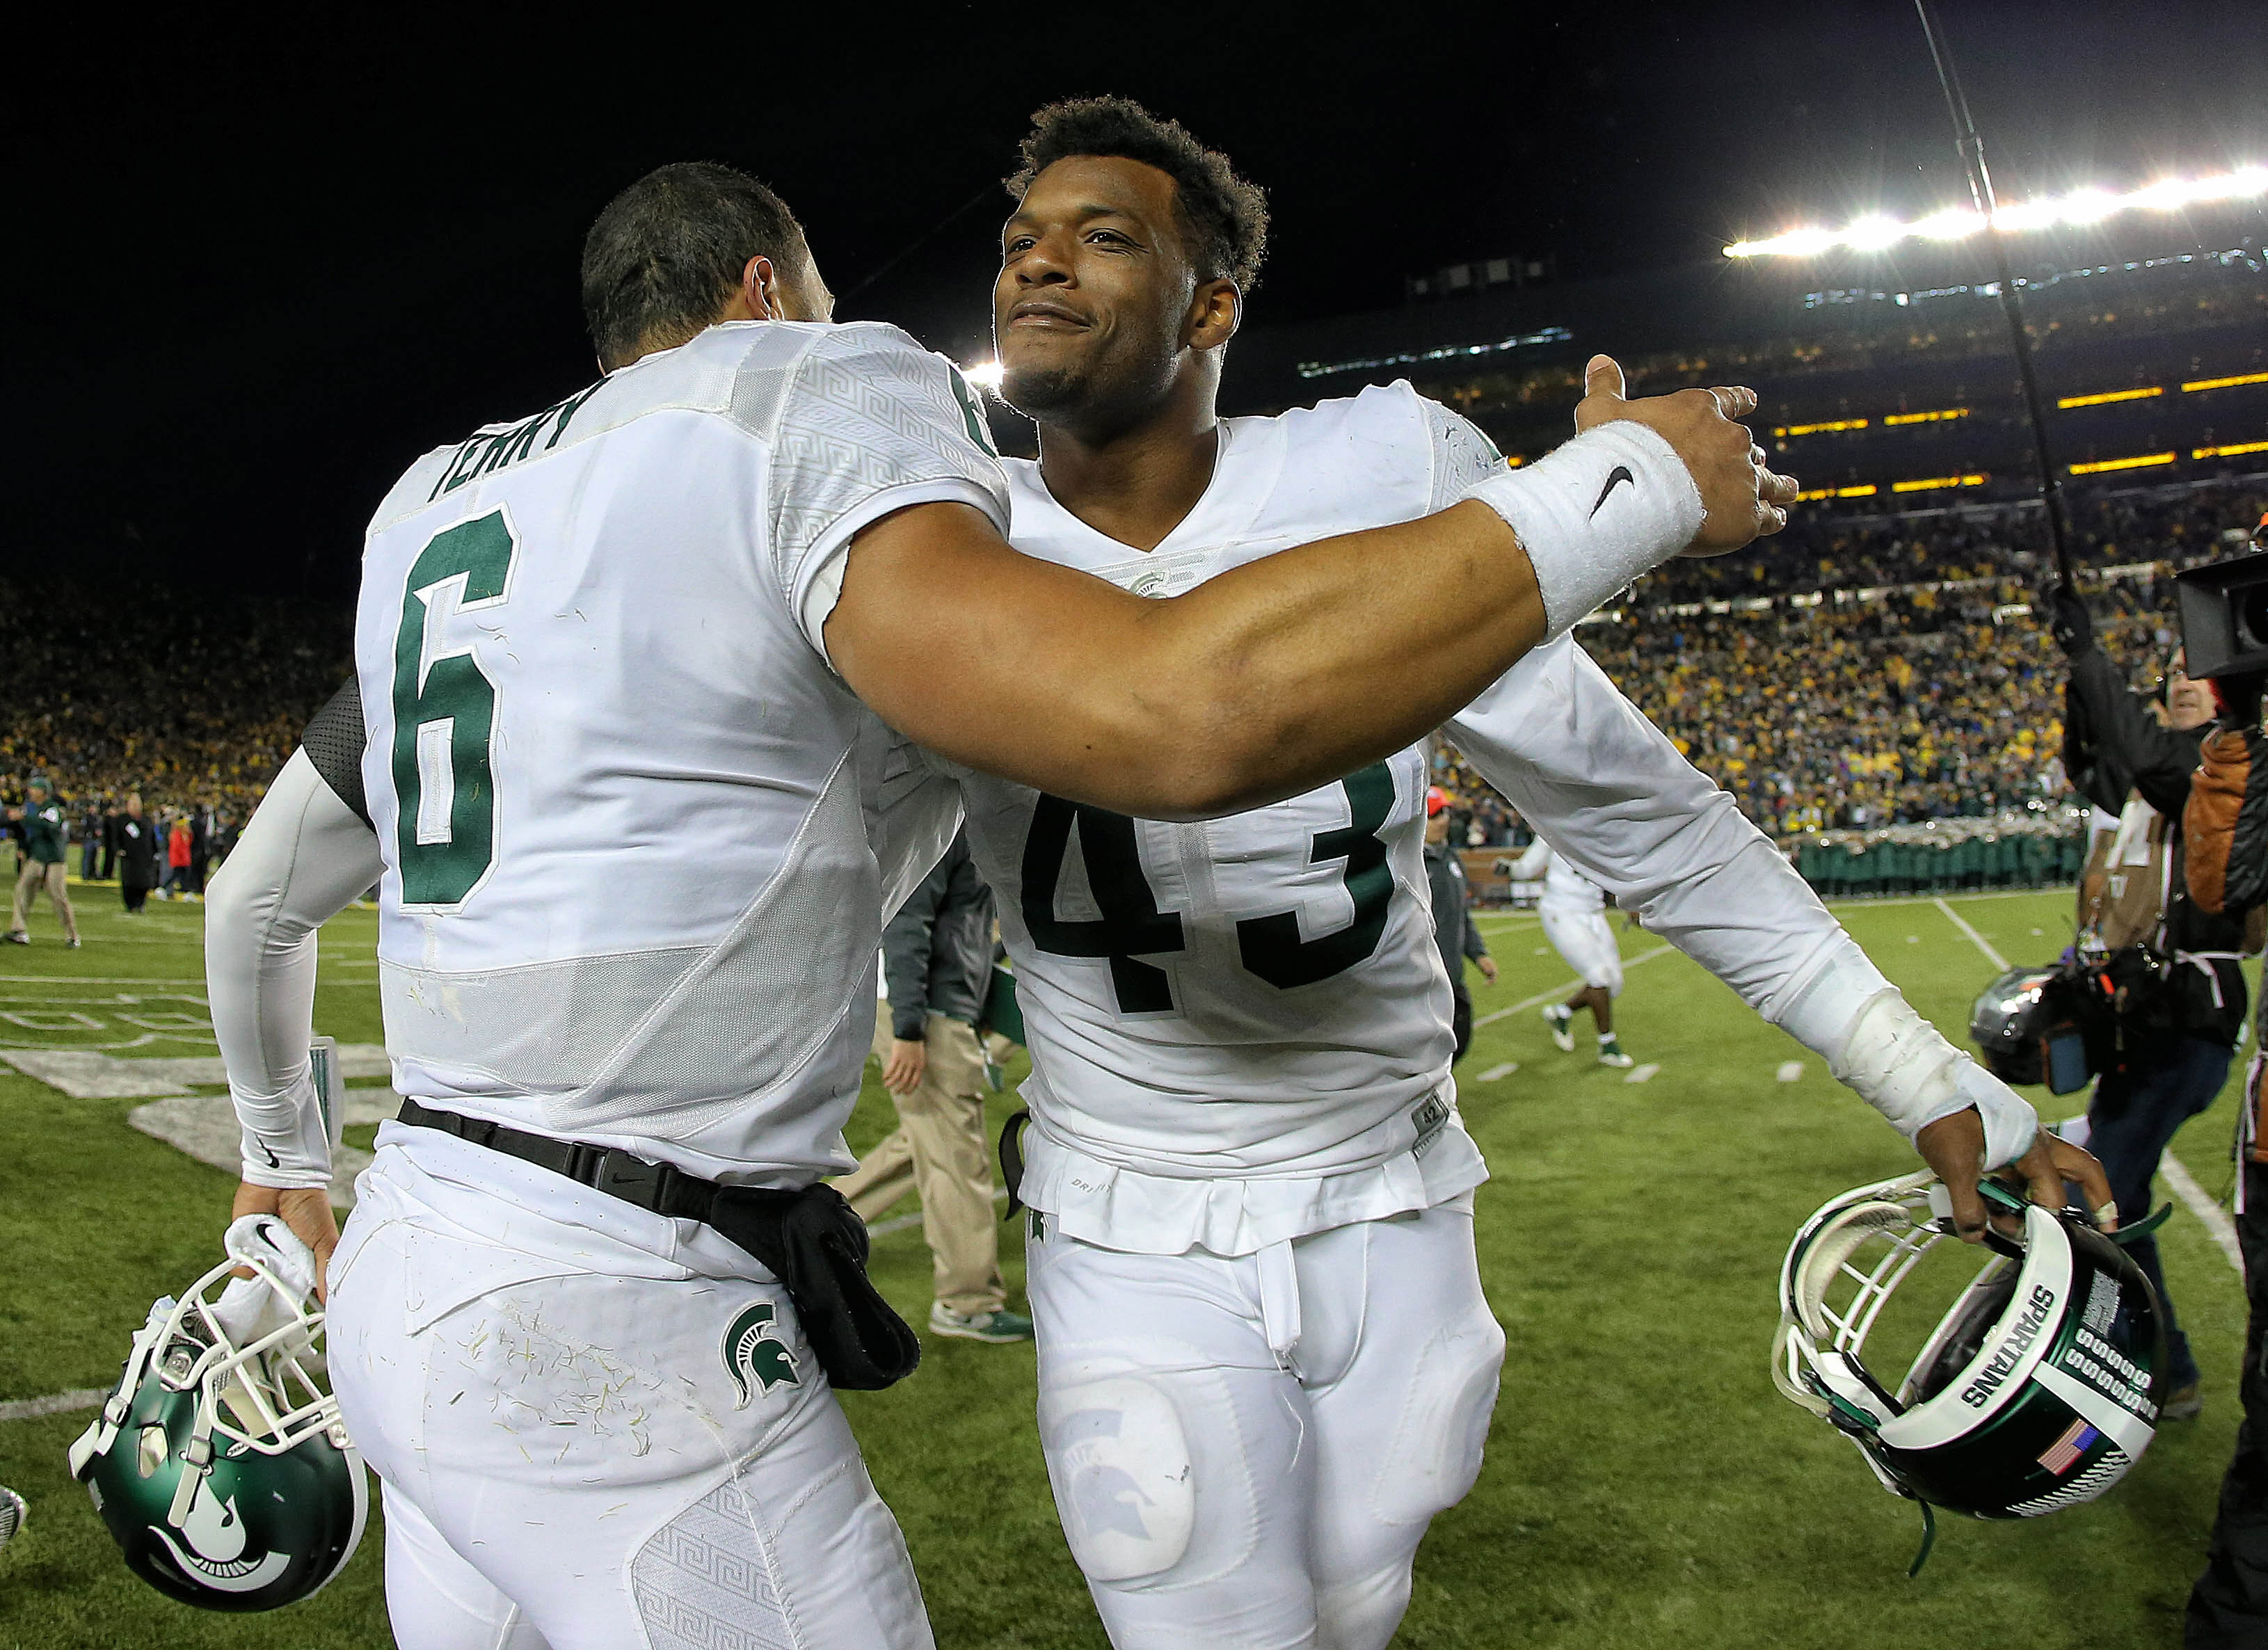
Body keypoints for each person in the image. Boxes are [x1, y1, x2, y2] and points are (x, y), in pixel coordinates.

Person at [206, 153, 1784, 1650]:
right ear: (766, 289)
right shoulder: (799, 388)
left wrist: (284, 1156)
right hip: (609, 1310)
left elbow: (259, 898)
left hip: (415, 1236)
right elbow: (1181, 713)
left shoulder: (435, 503)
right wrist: (1620, 492)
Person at [904, 99, 2111, 1650]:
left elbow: (1646, 818)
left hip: (1397, 1191)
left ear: (1213, 304)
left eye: (1102, 236)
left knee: (1356, 1604)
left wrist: (1935, 1079)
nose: (1036, 266)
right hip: (1130, 1217)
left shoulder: (1384, 466)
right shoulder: (941, 539)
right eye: (1019, 243)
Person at [2053, 586, 2250, 1421]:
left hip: (2187, 1020)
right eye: (2170, 671)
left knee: (2096, 1194)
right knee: (2115, 1193)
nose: (2179, 679)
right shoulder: (2151, 774)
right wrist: (2075, 670)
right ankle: (2165, 1370)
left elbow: (2143, 760)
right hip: (2140, 1020)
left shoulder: (2213, 767)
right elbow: (2089, 760)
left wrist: (2094, 657)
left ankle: (2117, 1364)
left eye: (2195, 673)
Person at [836, 830, 1030, 1343]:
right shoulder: (945, 823)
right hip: (920, 1009)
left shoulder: (967, 818)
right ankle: (966, 1303)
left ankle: (820, 1223)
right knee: (957, 1157)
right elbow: (906, 923)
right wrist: (908, 1030)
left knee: (928, 1138)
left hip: (936, 1004)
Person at [1512, 836, 1633, 1067]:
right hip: (1562, 908)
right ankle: (1607, 1045)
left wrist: (1631, 902)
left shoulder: (1601, 829)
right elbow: (1526, 868)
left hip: (1593, 911)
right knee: (1599, 977)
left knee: (1614, 985)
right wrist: (1510, 868)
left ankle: (1561, 1012)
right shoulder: (1552, 824)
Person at [1422, 785, 1496, 1061]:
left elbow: (1461, 913)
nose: (1443, 820)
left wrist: (1478, 953)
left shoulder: (1451, 858)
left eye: (1445, 813)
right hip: (1423, 980)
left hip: (1452, 974)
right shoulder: (1411, 863)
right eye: (1435, 815)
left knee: (1459, 1044)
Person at [5, 777, 81, 947]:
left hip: (54, 860)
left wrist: (26, 817)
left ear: (42, 792)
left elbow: (50, 827)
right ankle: (19, 930)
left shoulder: (53, 808)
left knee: (58, 897)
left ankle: (72, 935)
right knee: (22, 890)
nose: (30, 791)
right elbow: (24, 830)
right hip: (37, 857)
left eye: (34, 788)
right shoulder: (30, 807)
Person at [115, 793, 157, 914]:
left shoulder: (147, 820)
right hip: (129, 856)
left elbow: (152, 837)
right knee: (129, 882)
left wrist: (155, 852)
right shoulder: (123, 820)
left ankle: (141, 903)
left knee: (144, 882)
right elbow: (116, 837)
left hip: (145, 856)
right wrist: (119, 849)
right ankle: (131, 904)